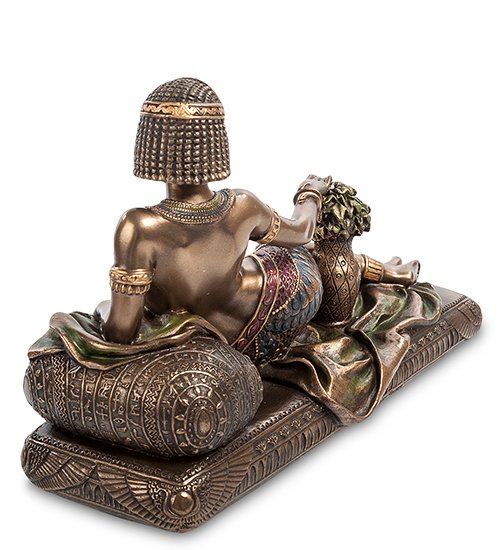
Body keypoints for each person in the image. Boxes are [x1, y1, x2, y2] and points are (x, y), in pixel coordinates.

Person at [100, 77, 418, 365]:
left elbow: (120, 332)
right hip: (281, 303)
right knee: (307, 249)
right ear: (214, 143)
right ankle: (385, 271)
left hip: (252, 318)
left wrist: (102, 313)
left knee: (303, 251)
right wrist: (309, 194)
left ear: (151, 144)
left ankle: (384, 272)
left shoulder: (139, 228)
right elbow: (302, 229)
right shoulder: (241, 206)